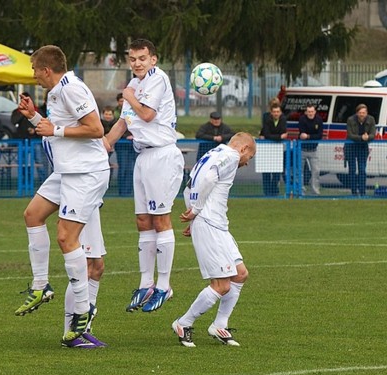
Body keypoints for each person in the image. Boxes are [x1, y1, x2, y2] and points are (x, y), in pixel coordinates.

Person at [13, 45, 110, 347]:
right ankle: (41, 285)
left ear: (46, 69)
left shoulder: (72, 88)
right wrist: (34, 118)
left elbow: (95, 129)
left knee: (67, 238)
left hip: (86, 173)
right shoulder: (56, 93)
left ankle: (81, 311)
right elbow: (53, 129)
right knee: (32, 215)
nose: (33, 76)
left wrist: (54, 130)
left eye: (34, 70)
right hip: (67, 172)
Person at [102, 39, 185, 313]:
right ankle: (146, 283)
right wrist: (105, 144)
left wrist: (129, 96)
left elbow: (147, 115)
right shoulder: (134, 85)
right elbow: (124, 121)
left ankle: (164, 285)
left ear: (153, 59)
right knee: (142, 220)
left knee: (161, 219)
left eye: (142, 58)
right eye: (132, 58)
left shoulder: (157, 79)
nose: (136, 63)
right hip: (143, 156)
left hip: (162, 154)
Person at [172, 132, 257, 347]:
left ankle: (219, 325)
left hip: (215, 224)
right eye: (250, 158)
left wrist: (193, 217)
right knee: (221, 285)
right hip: (210, 224)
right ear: (244, 149)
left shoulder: (213, 153)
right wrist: (197, 212)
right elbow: (208, 180)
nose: (247, 163)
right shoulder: (231, 156)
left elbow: (189, 187)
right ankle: (184, 323)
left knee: (240, 274)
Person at [11, 92, 49, 183]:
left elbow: (43, 123)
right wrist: (23, 113)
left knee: (40, 162)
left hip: (35, 140)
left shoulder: (37, 110)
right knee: (23, 163)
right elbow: (13, 121)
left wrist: (34, 130)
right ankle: (25, 182)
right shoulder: (17, 111)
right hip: (22, 141)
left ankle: (43, 182)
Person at [346, 103, 376, 196]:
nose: (362, 114)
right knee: (352, 170)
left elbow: (373, 134)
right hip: (351, 147)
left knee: (362, 170)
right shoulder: (350, 120)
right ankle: (353, 192)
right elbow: (350, 135)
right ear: (357, 113)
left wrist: (368, 137)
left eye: (363, 112)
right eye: (360, 112)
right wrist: (361, 138)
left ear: (366, 113)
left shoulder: (371, 119)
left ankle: (362, 192)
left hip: (363, 147)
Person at [259, 99, 287, 196]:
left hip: (277, 149)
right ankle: (267, 192)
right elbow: (266, 134)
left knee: (276, 172)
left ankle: (274, 192)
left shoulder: (283, 119)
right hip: (266, 148)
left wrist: (273, 136)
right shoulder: (267, 119)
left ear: (280, 112)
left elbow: (283, 131)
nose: (276, 113)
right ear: (271, 112)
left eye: (278, 112)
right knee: (266, 171)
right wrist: (279, 137)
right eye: (274, 112)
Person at [298, 104, 323, 195]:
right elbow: (302, 134)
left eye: (312, 111)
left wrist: (308, 136)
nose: (310, 113)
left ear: (315, 112)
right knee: (299, 172)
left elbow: (319, 135)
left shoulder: (319, 120)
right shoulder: (302, 120)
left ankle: (315, 191)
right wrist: (309, 136)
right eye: (308, 112)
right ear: (306, 112)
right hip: (302, 149)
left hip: (314, 150)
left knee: (316, 171)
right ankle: (301, 191)